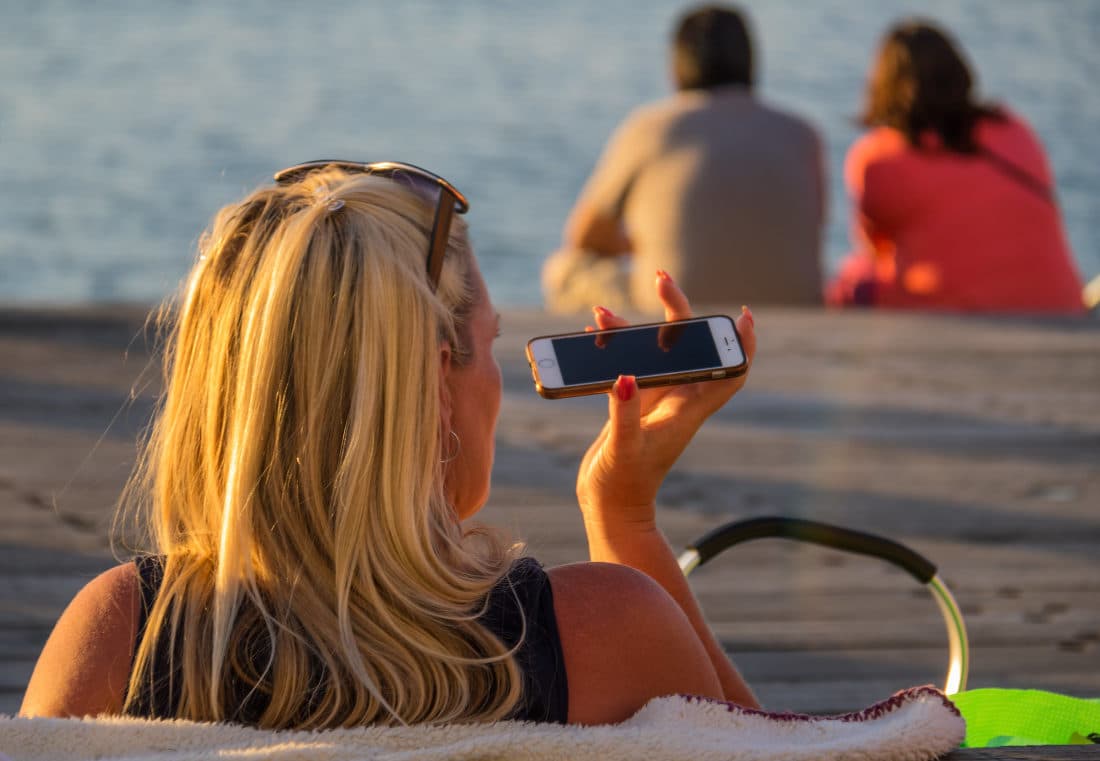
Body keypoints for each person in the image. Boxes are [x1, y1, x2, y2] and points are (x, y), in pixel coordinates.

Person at [19, 162, 759, 729]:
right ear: (438, 381)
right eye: (490, 344)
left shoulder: (122, 640)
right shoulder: (609, 635)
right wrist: (625, 519)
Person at [545, 4, 826, 315]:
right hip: (795, 311)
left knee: (564, 270)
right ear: (751, 61)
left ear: (676, 65)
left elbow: (584, 236)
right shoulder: (803, 135)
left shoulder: (651, 129)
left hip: (673, 315)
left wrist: (640, 243)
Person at [828, 20, 1085, 313]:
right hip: (1062, 309)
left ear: (884, 86)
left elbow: (874, 249)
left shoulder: (878, 158)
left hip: (957, 324)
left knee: (852, 282)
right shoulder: (1014, 129)